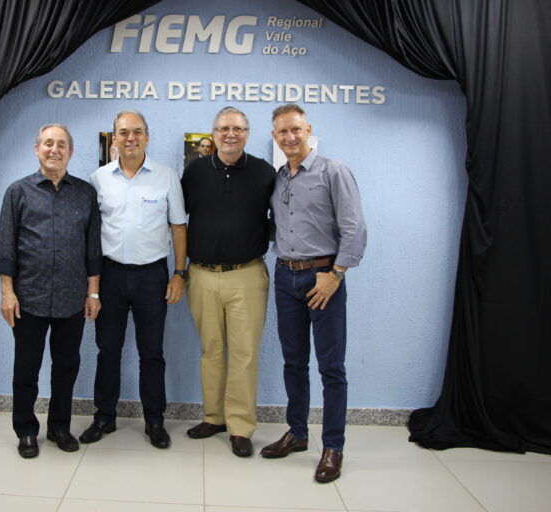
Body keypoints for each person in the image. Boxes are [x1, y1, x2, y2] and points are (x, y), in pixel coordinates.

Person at [262, 104, 366, 483]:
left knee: (331, 367)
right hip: (286, 277)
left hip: (323, 279)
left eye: (296, 130)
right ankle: (297, 433)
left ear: (308, 130)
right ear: (274, 136)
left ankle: (333, 446)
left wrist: (335, 275)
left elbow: (354, 228)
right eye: (282, 132)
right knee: (293, 362)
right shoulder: (278, 179)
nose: (290, 137)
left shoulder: (333, 171)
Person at [0, 124, 102, 458]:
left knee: (66, 367)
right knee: (26, 369)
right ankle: (26, 430)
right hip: (28, 298)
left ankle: (59, 427)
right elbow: (5, 247)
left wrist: (93, 293)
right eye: (48, 143)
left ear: (71, 152)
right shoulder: (18, 192)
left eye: (61, 145)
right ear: (37, 149)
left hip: (72, 298)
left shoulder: (85, 193)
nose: (54, 150)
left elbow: (93, 248)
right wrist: (7, 293)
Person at [81, 110, 188, 449]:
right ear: (114, 138)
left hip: (152, 277)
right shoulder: (98, 179)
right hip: (110, 275)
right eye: (124, 132)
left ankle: (154, 421)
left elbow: (179, 227)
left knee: (152, 353)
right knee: (107, 350)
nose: (131, 138)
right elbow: (90, 234)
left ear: (147, 137)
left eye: (137, 132)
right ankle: (104, 417)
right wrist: (92, 288)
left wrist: (179, 273)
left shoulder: (167, 177)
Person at [181, 106, 276, 457]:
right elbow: (177, 220)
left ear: (247, 134)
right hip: (202, 275)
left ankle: (240, 426)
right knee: (211, 351)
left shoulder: (265, 173)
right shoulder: (194, 172)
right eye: (223, 128)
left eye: (237, 129)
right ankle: (214, 417)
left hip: (247, 275)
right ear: (213, 133)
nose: (230, 134)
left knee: (244, 354)